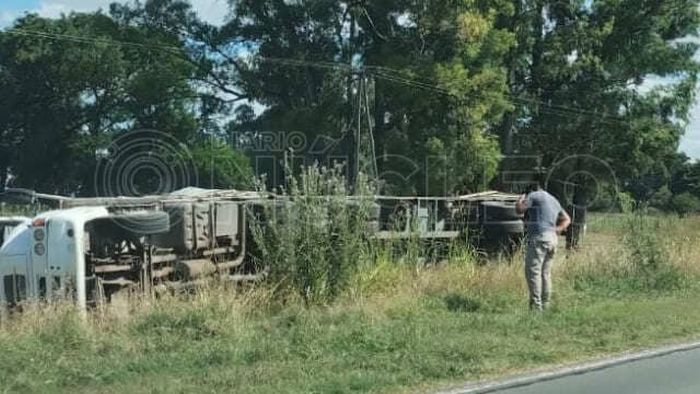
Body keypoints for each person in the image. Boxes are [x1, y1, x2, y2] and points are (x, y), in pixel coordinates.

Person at [516, 181, 571, 311]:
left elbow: (519, 210)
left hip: (539, 237)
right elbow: (567, 219)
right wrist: (558, 229)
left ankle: (536, 308)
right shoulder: (553, 199)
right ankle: (546, 305)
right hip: (552, 239)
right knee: (545, 273)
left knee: (533, 272)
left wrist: (520, 200)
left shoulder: (533, 196)